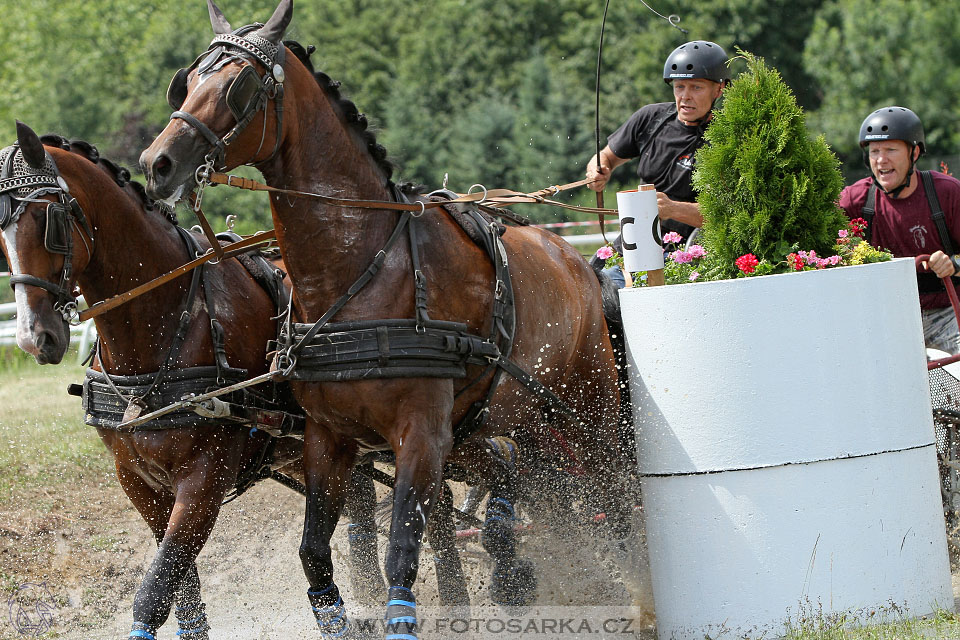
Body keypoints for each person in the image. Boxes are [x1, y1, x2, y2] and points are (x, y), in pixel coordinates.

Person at [586, 40, 729, 264]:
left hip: (691, 252)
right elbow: (605, 157)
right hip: (636, 240)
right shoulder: (651, 118)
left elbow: (723, 214)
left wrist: (671, 208)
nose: (685, 96)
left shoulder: (726, 138)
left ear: (719, 89)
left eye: (696, 87)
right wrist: (598, 171)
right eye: (679, 86)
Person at [839, 106, 960, 355]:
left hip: (949, 313)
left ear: (914, 153)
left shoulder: (948, 193)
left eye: (891, 150)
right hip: (889, 319)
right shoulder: (854, 200)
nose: (881, 159)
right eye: (874, 151)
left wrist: (953, 264)